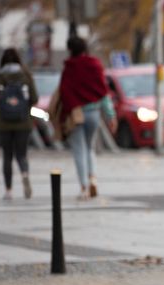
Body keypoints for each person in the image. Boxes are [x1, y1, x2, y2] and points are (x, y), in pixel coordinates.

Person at [58, 36, 117, 200]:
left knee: (79, 150)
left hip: (76, 114)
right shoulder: (94, 64)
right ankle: (93, 180)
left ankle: (83, 187)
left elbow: (64, 92)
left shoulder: (69, 68)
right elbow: (103, 92)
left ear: (70, 50)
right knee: (90, 148)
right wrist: (111, 116)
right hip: (93, 113)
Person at [0, 48, 38, 200]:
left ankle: (8, 190)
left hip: (3, 122)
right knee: (22, 154)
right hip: (23, 121)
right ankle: (25, 173)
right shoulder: (26, 75)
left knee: (7, 156)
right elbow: (34, 98)